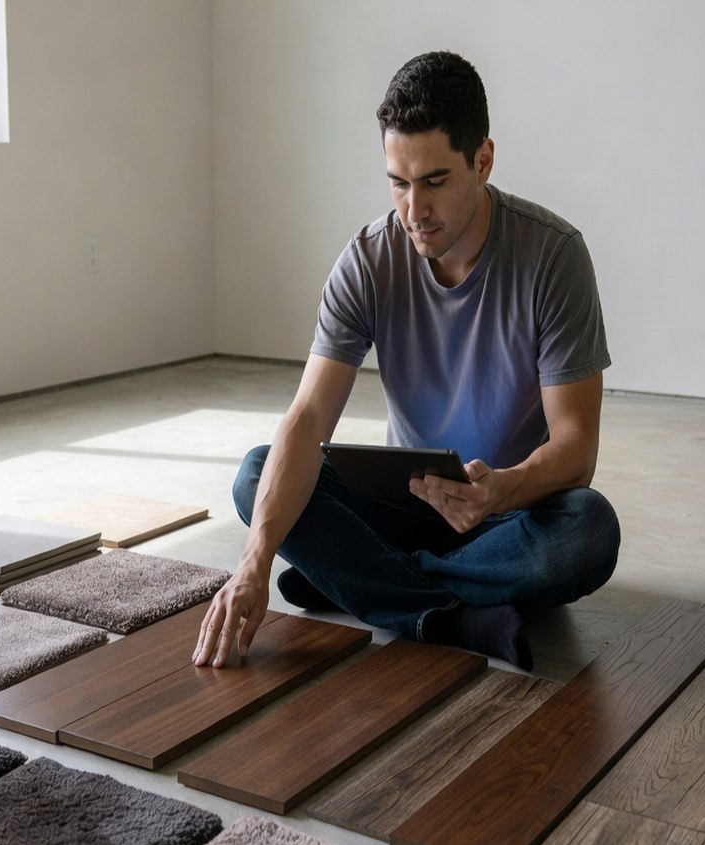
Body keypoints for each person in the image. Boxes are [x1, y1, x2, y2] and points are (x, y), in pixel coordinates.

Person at [193, 50, 619, 671]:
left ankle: (357, 580)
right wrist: (254, 563)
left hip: (506, 516)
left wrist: (499, 491)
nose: (413, 210)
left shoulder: (554, 256)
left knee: (589, 531)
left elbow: (577, 448)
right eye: (398, 182)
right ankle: (447, 610)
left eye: (435, 182)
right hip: (404, 506)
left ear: (483, 160)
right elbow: (308, 421)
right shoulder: (368, 260)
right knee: (258, 474)